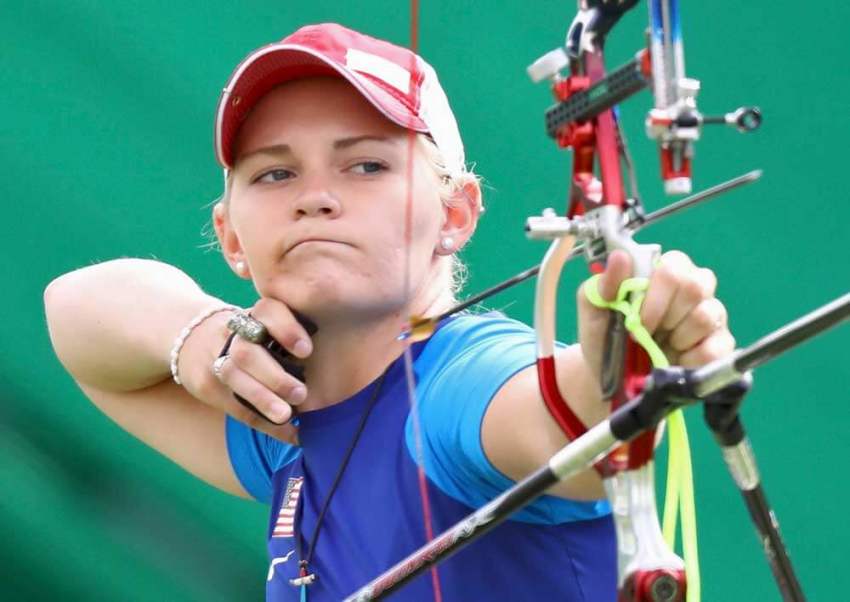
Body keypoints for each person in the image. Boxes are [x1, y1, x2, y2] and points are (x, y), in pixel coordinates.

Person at [44, 23, 734, 601]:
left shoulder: (457, 389)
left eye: (366, 166)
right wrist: (193, 335)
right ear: (231, 237)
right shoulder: (277, 418)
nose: (315, 197)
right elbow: (74, 314)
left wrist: (618, 363)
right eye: (275, 173)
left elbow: (563, 418)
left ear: (455, 214)